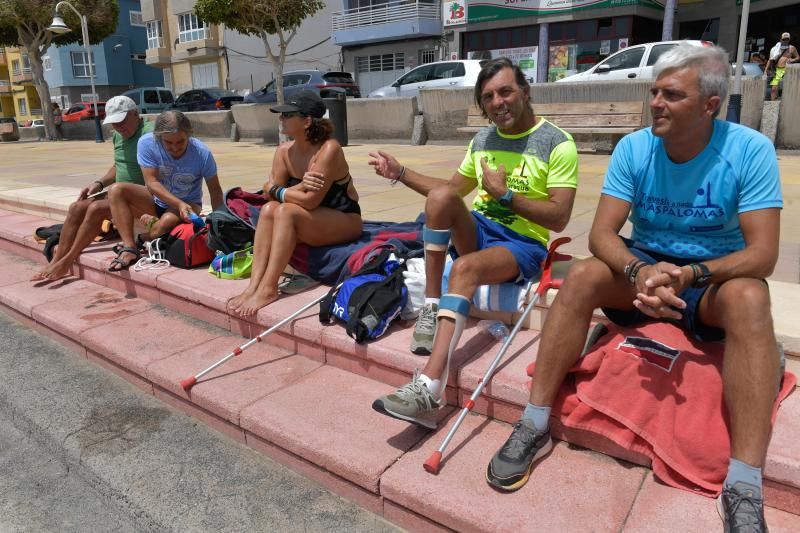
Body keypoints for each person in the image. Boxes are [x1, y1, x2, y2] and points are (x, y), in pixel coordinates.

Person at [485, 43, 782, 533]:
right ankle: (533, 421)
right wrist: (637, 273)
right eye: (654, 92)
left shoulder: (747, 150)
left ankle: (744, 484)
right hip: (642, 267)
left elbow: (762, 254)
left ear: (710, 105)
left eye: (671, 94)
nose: (656, 103)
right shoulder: (635, 148)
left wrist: (690, 275)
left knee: (752, 296)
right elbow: (602, 235)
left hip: (708, 277)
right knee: (580, 274)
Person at [369, 58, 578, 429]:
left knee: (464, 269)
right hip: (480, 229)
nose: (498, 102)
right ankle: (432, 308)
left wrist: (505, 195)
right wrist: (400, 173)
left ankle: (428, 391)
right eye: (488, 97)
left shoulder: (557, 143)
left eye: (505, 91)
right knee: (441, 199)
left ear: (525, 93)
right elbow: (451, 190)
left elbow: (559, 216)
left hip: (522, 243)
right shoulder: (482, 140)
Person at [228, 90, 362, 318]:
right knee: (271, 210)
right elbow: (270, 199)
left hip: (344, 218)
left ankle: (269, 288)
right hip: (313, 219)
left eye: (288, 115)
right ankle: (254, 285)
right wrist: (296, 188)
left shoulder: (329, 149)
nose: (281, 119)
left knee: (286, 212)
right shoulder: (283, 152)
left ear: (307, 121)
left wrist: (277, 189)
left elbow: (309, 201)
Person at [31, 96, 153, 281]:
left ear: (135, 113)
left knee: (95, 208)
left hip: (143, 197)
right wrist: (99, 183)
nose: (118, 127)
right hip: (117, 194)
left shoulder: (149, 134)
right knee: (76, 207)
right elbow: (119, 165)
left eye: (121, 121)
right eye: (114, 123)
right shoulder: (118, 136)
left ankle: (67, 261)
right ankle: (57, 258)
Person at [106, 110, 223, 271]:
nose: (175, 148)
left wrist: (217, 226)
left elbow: (215, 191)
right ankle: (130, 247)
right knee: (116, 190)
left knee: (168, 219)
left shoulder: (202, 153)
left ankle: (142, 239)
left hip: (190, 204)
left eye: (181, 142)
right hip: (157, 200)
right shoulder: (147, 143)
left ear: (189, 135)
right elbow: (151, 182)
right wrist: (177, 203)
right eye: (168, 143)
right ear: (158, 137)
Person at [765, 32, 799, 100]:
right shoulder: (775, 48)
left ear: (789, 40)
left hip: (788, 69)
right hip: (779, 70)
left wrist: (792, 60)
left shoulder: (792, 48)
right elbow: (770, 60)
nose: (785, 41)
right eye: (784, 39)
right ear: (781, 39)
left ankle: (788, 102)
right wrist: (766, 70)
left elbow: (798, 57)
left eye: (787, 39)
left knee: (789, 87)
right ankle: (772, 103)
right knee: (774, 88)